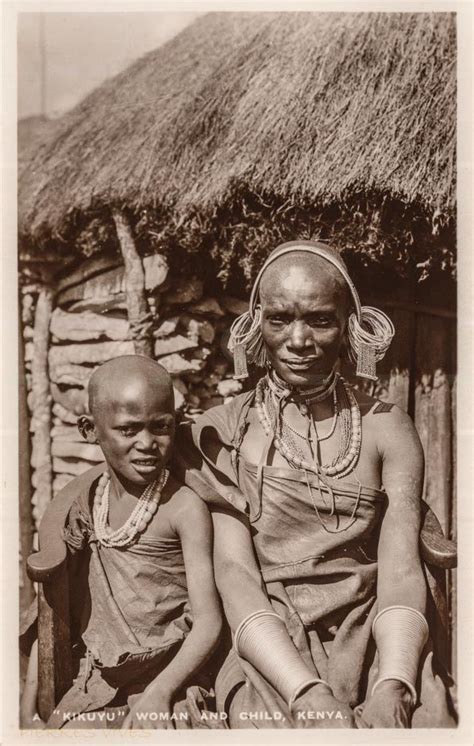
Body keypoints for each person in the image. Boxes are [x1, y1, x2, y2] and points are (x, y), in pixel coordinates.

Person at [174, 240, 457, 729]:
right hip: (267, 642)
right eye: (279, 319)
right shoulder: (224, 431)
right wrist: (304, 692)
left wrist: (395, 680)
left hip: (375, 628)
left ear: (350, 322)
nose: (298, 339)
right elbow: (237, 575)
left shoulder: (388, 428)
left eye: (320, 320)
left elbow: (401, 569)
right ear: (255, 321)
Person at [21, 355, 223, 730]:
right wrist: (29, 706)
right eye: (129, 430)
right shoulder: (86, 504)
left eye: (160, 427)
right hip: (98, 682)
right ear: (89, 429)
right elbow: (52, 608)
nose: (147, 444)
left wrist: (160, 693)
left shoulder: (182, 509)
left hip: (168, 679)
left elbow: (209, 621)